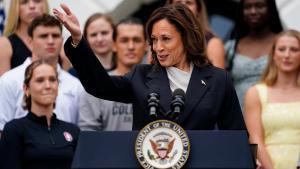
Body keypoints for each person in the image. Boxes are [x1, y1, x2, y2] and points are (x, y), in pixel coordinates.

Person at [53, 3, 245, 130]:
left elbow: (235, 134)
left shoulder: (218, 80)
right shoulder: (141, 75)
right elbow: (99, 85)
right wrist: (78, 39)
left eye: (166, 39)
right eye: (153, 40)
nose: (158, 47)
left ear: (186, 38)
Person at [0, 14, 83, 132]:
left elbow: (80, 133)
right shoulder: (9, 80)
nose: (50, 41)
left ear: (62, 40)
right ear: (30, 42)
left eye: (55, 36)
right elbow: (2, 130)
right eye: (43, 36)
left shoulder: (75, 85)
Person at [0, 60, 80, 169]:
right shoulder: (14, 129)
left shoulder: (73, 131)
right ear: (26, 89)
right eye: (40, 80)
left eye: (52, 80)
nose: (48, 86)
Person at [244, 30, 300, 169]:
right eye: (281, 49)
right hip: (268, 163)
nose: (287, 55)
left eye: (294, 50)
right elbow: (255, 139)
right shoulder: (255, 93)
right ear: (273, 54)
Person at [79, 17, 147, 131]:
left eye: (136, 40)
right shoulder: (97, 84)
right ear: (114, 45)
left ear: (146, 45)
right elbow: (88, 133)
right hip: (107, 148)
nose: (131, 47)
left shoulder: (160, 83)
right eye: (124, 40)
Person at [225, 0, 283, 109]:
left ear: (270, 9)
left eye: (259, 6)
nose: (253, 11)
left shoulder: (284, 44)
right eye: (247, 7)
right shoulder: (231, 47)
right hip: (239, 115)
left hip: (275, 112)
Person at [166, 0, 225, 68]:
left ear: (198, 10)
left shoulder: (213, 43)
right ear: (169, 7)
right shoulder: (158, 39)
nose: (183, 6)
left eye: (189, 3)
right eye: (178, 2)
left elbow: (218, 78)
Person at [0, 0, 48, 75]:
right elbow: (4, 84)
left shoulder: (59, 44)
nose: (32, 6)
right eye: (24, 2)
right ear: (16, 8)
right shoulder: (4, 44)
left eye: (37, 1)